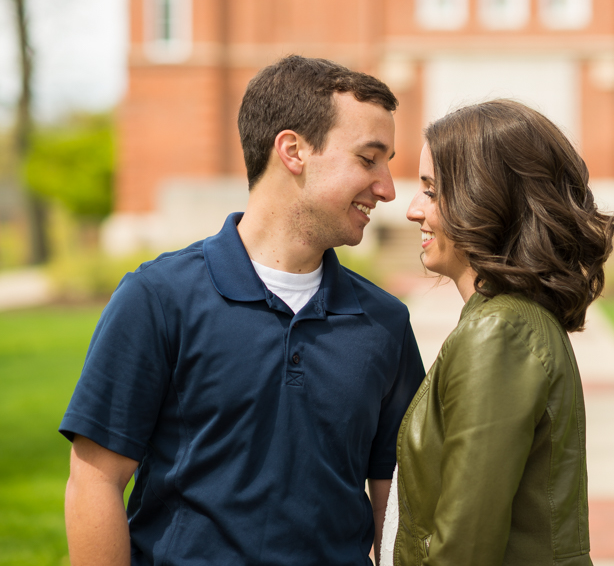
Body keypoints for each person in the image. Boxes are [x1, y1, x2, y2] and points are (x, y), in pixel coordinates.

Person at [60, 55, 425, 566]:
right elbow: (95, 481)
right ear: (293, 151)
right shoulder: (158, 299)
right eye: (369, 159)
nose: (387, 187)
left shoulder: (386, 323)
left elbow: (397, 504)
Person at [388, 99, 614, 565]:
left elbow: (464, 551)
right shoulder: (512, 320)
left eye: (431, 191)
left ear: (485, 199)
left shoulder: (499, 331)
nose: (412, 210)